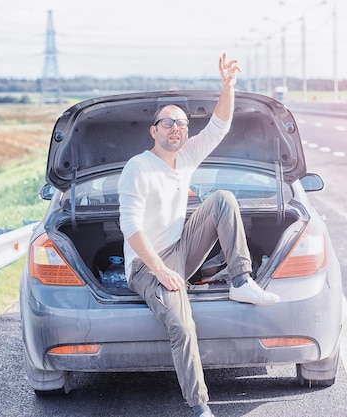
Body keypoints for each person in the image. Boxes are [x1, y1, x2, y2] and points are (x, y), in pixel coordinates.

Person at [117, 53, 280, 417]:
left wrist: (228, 87)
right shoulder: (138, 168)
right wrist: (160, 271)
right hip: (147, 266)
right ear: (154, 131)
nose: (176, 128)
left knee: (222, 198)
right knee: (183, 324)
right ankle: (200, 406)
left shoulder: (187, 156)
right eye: (168, 122)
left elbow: (220, 126)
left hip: (181, 248)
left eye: (181, 123)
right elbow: (130, 228)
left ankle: (241, 280)